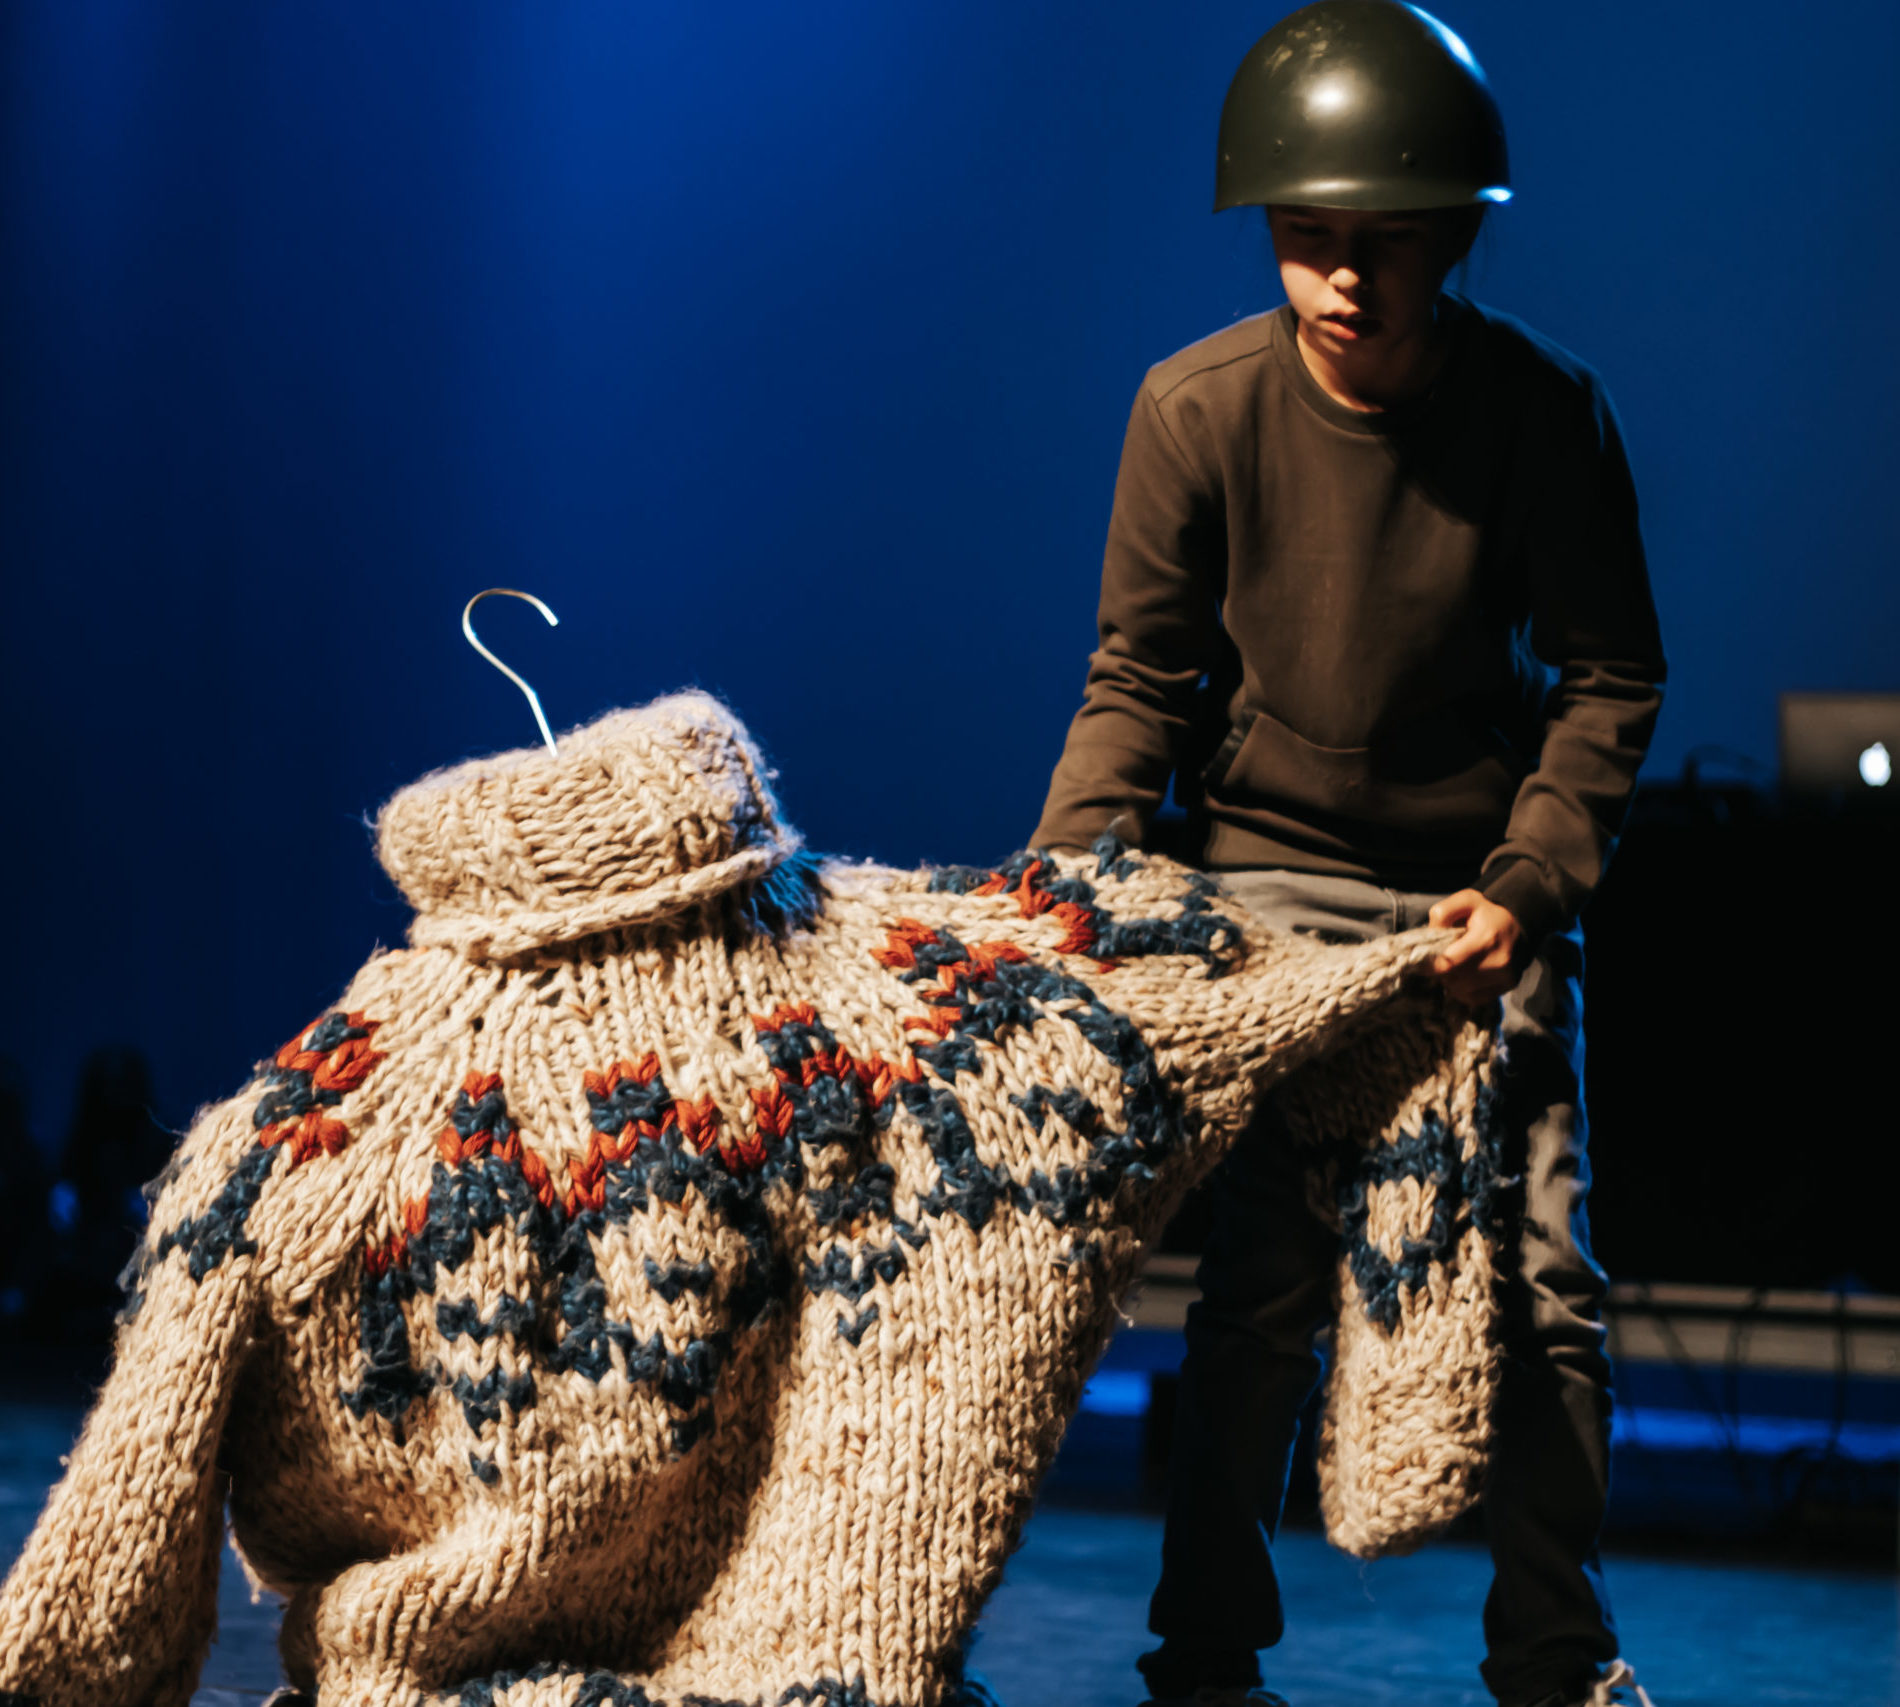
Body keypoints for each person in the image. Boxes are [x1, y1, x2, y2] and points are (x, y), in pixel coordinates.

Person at [1030, 6, 1666, 1707]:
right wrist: (1070, 888)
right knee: (1258, 1292)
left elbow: (1612, 678)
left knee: (1545, 1291)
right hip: (1268, 898)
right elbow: (1140, 681)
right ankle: (1209, 1658)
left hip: (1478, 893)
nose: (1343, 280)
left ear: (1454, 238)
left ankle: (1558, 1656)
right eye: (1309, 241)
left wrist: (1529, 884)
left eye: (1383, 244)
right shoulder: (1195, 411)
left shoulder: (1547, 415)